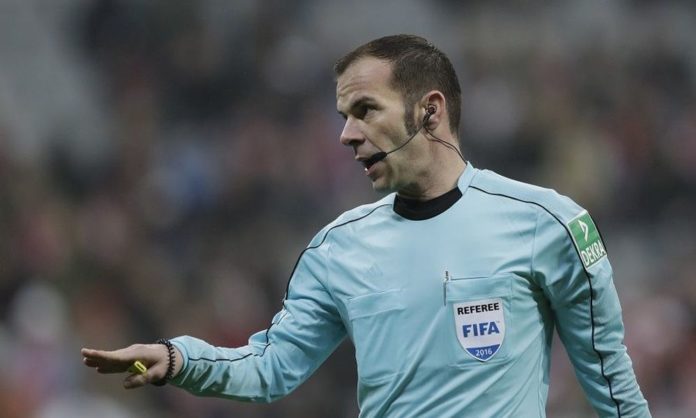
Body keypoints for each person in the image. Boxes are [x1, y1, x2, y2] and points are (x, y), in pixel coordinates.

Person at [81, 34, 651, 417]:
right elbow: (272, 366)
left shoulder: (549, 223)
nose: (346, 135)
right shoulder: (337, 250)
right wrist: (177, 359)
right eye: (343, 117)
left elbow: (612, 386)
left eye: (365, 111)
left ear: (429, 111)